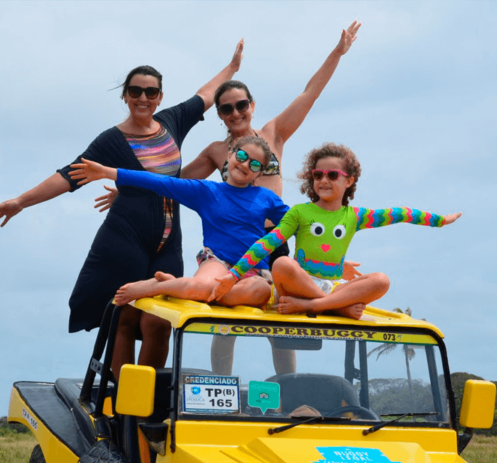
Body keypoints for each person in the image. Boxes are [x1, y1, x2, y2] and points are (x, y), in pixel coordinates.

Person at [94, 23, 362, 373]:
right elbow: (172, 184)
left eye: (240, 105)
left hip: (275, 241)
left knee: (281, 327)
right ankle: (222, 390)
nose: (235, 113)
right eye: (225, 109)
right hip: (231, 245)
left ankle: (290, 395)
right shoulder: (217, 151)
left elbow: (309, 94)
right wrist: (124, 192)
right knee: (226, 323)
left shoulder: (274, 134)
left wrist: (337, 53)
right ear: (219, 114)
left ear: (252, 105)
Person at [0, 45, 243, 377]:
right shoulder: (112, 140)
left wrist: (232, 67)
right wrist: (21, 201)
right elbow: (69, 175)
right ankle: (121, 405)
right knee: (125, 317)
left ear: (160, 97)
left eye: (151, 92)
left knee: (159, 322)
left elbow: (206, 94)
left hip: (168, 242)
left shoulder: (172, 122)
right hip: (126, 239)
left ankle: (145, 404)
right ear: (125, 96)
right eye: (135, 91)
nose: (143, 97)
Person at [209, 143, 462, 320]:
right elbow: (266, 243)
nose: (323, 180)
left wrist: (439, 220)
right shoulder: (299, 212)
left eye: (332, 174)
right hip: (296, 287)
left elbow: (400, 213)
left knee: (382, 280)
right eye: (318, 174)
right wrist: (233, 275)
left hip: (330, 290)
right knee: (283, 263)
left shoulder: (354, 216)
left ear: (349, 181)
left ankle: (317, 305)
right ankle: (334, 308)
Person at [67, 137, 288, 310]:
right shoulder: (206, 191)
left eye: (255, 164)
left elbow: (300, 222)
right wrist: (108, 172)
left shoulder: (265, 197)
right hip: (218, 261)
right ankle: (158, 286)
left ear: (259, 173)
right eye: (242, 155)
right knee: (200, 285)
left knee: (260, 290)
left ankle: (182, 288)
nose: (246, 163)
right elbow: (160, 182)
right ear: (230, 155)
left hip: (252, 270)